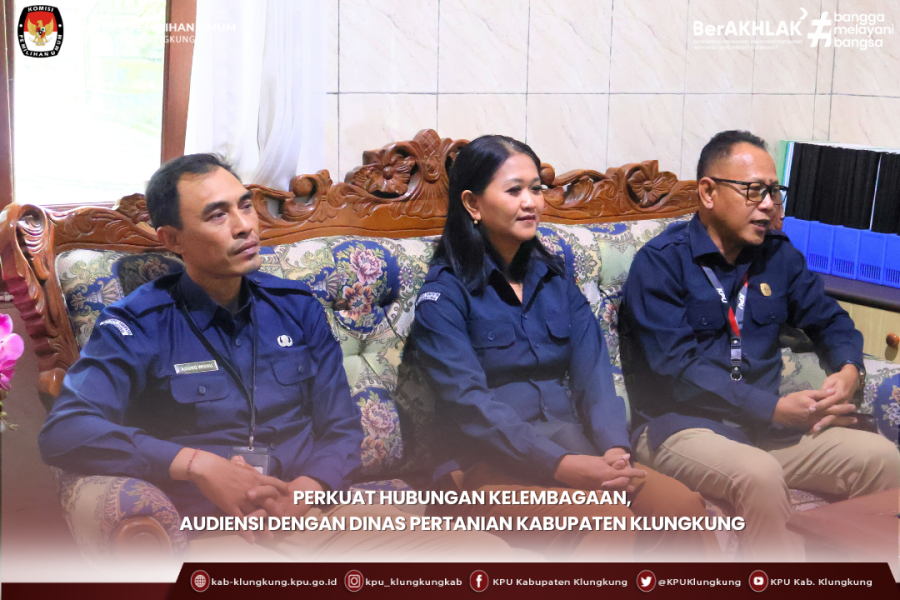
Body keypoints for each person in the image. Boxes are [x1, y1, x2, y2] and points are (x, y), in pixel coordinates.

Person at [38, 153, 516, 562]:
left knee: (491, 559)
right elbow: (65, 429)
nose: (245, 225)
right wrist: (199, 465)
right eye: (217, 215)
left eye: (245, 205)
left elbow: (342, 428)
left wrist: (306, 491)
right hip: (215, 530)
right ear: (172, 240)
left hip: (318, 514)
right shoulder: (140, 323)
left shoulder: (295, 307)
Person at [405, 135, 720, 561]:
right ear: (473, 204)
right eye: (514, 190)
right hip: (485, 468)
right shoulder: (444, 296)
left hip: (576, 449)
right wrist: (560, 464)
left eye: (536, 188)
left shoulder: (554, 280)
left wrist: (613, 448)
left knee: (681, 510)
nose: (530, 202)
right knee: (609, 522)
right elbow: (470, 404)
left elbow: (595, 374)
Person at [620, 130, 899, 560]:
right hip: (682, 427)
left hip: (766, 430)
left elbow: (830, 320)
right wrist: (771, 407)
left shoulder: (777, 255)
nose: (768, 204)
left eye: (774, 191)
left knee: (883, 459)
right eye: (754, 191)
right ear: (708, 192)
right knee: (760, 474)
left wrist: (849, 371)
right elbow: (677, 370)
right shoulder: (661, 264)